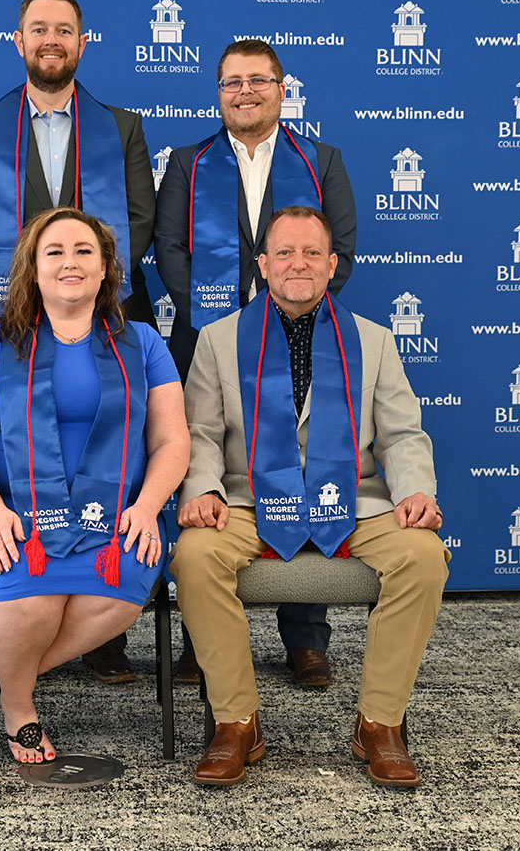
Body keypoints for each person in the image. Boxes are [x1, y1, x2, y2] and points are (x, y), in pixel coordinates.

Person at [170, 206, 449, 787]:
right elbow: (198, 433)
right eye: (286, 253)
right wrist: (201, 490)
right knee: (195, 555)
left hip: (354, 500)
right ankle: (236, 722)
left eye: (312, 253)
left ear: (332, 264)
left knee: (423, 556)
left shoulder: (373, 340)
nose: (299, 263)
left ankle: (380, 722)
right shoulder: (219, 340)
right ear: (263, 263)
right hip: (248, 501)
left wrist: (416, 490)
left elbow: (400, 433)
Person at [0, 0, 159, 681]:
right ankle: (25, 627)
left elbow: (139, 218)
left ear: (82, 42)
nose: (51, 41)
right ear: (19, 41)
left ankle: (92, 641)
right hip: (12, 313)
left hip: (102, 315)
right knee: (21, 448)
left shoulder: (122, 126)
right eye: (38, 29)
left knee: (106, 436)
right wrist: (32, 286)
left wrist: (79, 279)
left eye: (64, 31)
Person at [0, 207, 189, 763]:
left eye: (84, 251)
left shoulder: (143, 342)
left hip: (119, 512)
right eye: (54, 251)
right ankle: (19, 708)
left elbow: (172, 440)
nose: (69, 262)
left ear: (106, 270)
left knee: (118, 591)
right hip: (7, 509)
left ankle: (0, 675)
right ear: (33, 267)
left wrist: (149, 507)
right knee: (30, 594)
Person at [154, 39, 357, 687]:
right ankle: (200, 638)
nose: (244, 91)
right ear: (218, 92)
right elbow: (170, 250)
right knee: (207, 477)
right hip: (210, 343)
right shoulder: (189, 163)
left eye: (258, 81)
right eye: (231, 82)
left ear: (281, 88)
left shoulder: (320, 160)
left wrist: (287, 303)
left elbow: (341, 251)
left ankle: (306, 637)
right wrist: (225, 325)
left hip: (303, 340)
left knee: (304, 468)